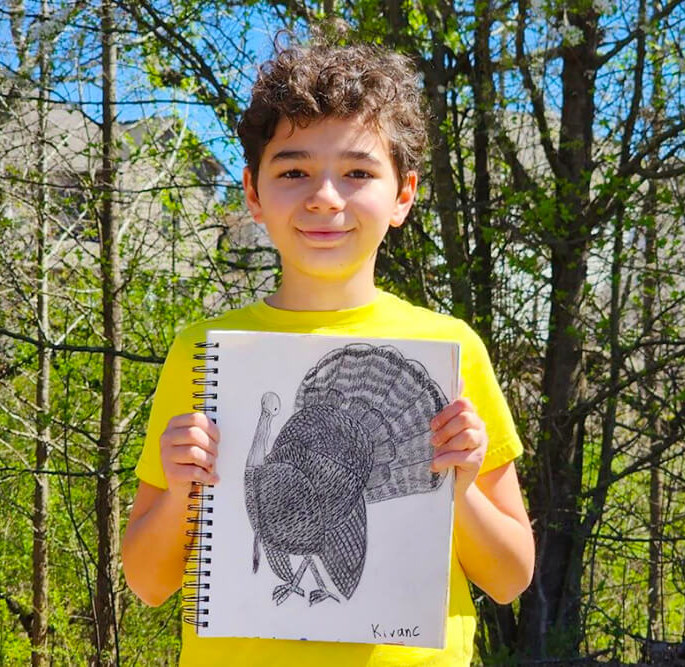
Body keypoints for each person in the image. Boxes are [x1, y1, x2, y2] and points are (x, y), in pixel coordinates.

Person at [122, 36, 535, 667]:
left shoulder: (452, 348)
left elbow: (510, 578)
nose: (324, 197)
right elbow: (149, 583)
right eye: (293, 171)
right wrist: (180, 489)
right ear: (254, 195)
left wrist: (464, 485)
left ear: (404, 195)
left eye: (358, 173)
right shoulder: (203, 354)